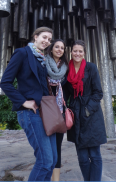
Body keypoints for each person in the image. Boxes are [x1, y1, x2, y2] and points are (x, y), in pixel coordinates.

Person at [0, 27, 58, 181]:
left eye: (49, 40)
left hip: (45, 113)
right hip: (30, 113)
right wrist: (23, 102)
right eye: (44, 37)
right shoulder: (22, 53)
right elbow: (5, 83)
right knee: (45, 161)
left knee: (52, 161)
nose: (47, 41)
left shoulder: (43, 59)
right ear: (35, 37)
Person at [64, 40, 107, 182]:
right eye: (75, 51)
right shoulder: (67, 69)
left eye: (80, 51)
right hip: (75, 113)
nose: (77, 53)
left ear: (84, 53)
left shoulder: (91, 68)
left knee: (94, 155)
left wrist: (88, 110)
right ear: (71, 52)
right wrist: (63, 110)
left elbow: (98, 92)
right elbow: (65, 94)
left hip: (91, 114)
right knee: (82, 157)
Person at [45, 39, 68, 182]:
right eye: (57, 47)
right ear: (51, 48)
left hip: (60, 112)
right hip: (45, 111)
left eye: (62, 48)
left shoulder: (66, 68)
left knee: (57, 147)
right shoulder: (42, 64)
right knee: (46, 148)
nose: (59, 49)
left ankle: (56, 180)